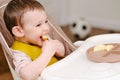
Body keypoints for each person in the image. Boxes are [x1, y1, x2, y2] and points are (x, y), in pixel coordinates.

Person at [3, 0, 65, 80]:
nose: (46, 28)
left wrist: (57, 48)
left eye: (46, 21)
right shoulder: (19, 53)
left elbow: (62, 53)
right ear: (19, 31)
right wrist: (47, 53)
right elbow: (27, 75)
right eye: (38, 25)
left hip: (61, 73)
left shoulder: (43, 38)